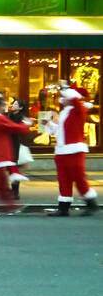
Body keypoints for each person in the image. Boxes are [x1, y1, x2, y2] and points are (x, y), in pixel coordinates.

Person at [42, 83, 97, 216]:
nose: (62, 99)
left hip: (74, 151)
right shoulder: (65, 112)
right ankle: (63, 207)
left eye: (65, 97)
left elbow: (75, 100)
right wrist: (49, 124)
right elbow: (61, 132)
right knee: (63, 179)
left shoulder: (79, 109)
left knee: (78, 177)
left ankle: (91, 203)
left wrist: (66, 88)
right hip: (62, 151)